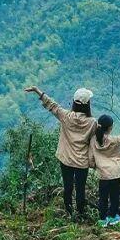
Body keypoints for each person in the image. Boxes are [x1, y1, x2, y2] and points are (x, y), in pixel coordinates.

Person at [24, 84, 95, 218]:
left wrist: (37, 91)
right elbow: (95, 141)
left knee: (67, 187)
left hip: (66, 159)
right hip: (82, 161)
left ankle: (69, 212)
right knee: (80, 188)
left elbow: (52, 105)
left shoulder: (65, 116)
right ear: (87, 105)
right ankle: (80, 213)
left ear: (74, 102)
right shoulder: (92, 122)